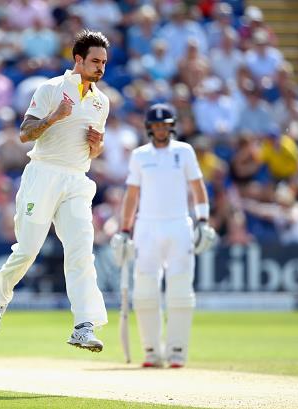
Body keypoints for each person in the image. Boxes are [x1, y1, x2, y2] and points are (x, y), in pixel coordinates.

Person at [0, 30, 110, 352]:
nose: (100, 68)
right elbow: (25, 133)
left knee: (81, 251)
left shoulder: (100, 101)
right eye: (95, 61)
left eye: (104, 62)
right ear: (78, 59)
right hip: (43, 174)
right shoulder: (51, 88)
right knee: (28, 249)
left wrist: (96, 148)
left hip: (77, 179)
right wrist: (54, 117)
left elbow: (92, 151)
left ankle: (84, 325)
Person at [111, 104, 216, 368]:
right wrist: (124, 230)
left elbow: (198, 187)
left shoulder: (184, 151)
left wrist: (203, 221)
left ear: (171, 126)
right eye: (156, 126)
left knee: (180, 291)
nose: (160, 129)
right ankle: (151, 351)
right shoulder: (139, 155)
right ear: (149, 128)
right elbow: (131, 195)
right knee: (145, 291)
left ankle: (177, 350)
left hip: (179, 226)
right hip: (146, 228)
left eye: (165, 125)